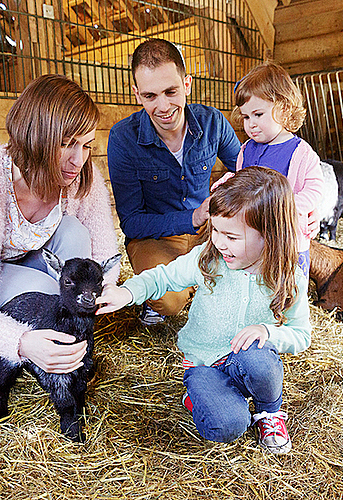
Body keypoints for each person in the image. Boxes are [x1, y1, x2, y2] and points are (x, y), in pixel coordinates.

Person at [96, 167, 311, 454]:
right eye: (216, 232)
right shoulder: (208, 259)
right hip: (204, 364)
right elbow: (162, 277)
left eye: (232, 237)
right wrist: (127, 292)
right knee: (225, 426)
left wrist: (268, 331)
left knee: (262, 362)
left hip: (248, 361)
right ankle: (201, 395)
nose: (220, 243)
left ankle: (268, 412)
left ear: (269, 235)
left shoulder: (289, 277)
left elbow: (300, 334)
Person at [0, 74, 121, 374]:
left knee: (74, 235)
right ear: (34, 138)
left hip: (32, 260)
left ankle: (58, 333)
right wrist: (20, 342)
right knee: (51, 294)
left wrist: (102, 292)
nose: (78, 160)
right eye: (66, 144)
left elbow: (104, 252)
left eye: (86, 145)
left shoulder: (81, 178)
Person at [107, 38, 241, 326]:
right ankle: (193, 286)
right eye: (150, 96)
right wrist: (191, 217)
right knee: (169, 299)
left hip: (210, 231)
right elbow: (131, 223)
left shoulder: (212, 122)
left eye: (171, 91)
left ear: (187, 84)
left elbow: (248, 173)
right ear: (137, 94)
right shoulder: (122, 138)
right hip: (157, 238)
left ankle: (197, 279)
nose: (163, 106)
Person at [230, 60, 324, 276]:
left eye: (258, 114)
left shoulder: (301, 152)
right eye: (246, 117)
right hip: (252, 241)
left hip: (287, 244)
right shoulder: (245, 150)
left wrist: (287, 206)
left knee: (285, 292)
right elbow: (239, 186)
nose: (250, 123)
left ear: (283, 108)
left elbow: (315, 189)